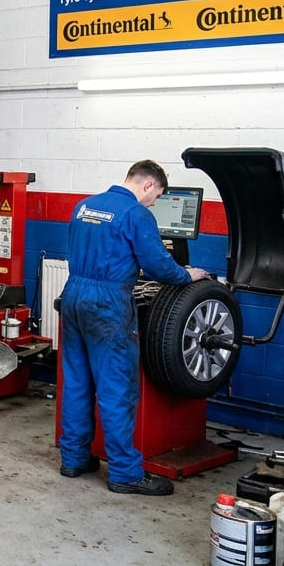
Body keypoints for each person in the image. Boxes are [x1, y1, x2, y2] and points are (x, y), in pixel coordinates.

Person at [58, 160, 208, 496]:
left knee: (77, 382)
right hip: (107, 303)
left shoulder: (84, 206)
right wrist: (186, 275)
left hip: (73, 295)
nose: (154, 203)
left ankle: (73, 459)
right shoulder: (135, 214)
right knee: (116, 387)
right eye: (157, 196)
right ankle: (125, 473)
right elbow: (157, 266)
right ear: (148, 185)